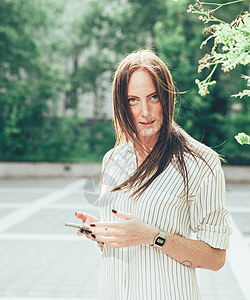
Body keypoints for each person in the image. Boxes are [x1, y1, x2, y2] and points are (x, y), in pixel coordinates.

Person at [75, 49, 232, 300]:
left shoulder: (201, 163)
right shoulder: (113, 158)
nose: (145, 112)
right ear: (121, 105)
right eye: (133, 100)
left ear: (167, 98)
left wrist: (153, 237)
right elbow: (120, 242)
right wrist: (101, 234)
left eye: (153, 97)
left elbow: (215, 258)